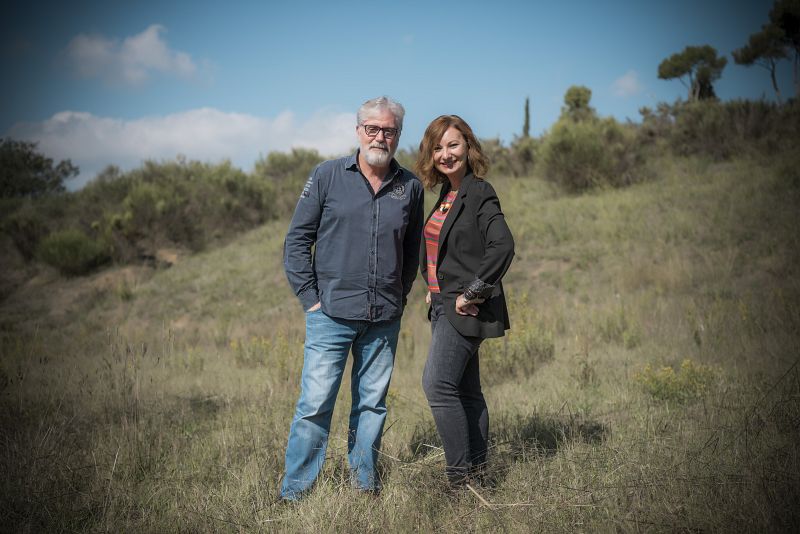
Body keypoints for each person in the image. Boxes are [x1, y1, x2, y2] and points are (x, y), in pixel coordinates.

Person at [280, 96, 424, 500]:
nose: (380, 136)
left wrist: (399, 296)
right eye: (372, 129)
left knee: (373, 406)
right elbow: (296, 242)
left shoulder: (410, 186)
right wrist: (311, 299)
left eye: (389, 130)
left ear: (398, 135)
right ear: (358, 130)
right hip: (330, 315)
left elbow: (412, 251)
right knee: (314, 407)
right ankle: (296, 493)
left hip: (384, 318)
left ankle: (364, 485)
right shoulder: (326, 176)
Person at [414, 115, 514, 488]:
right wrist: (433, 283)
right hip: (442, 305)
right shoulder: (447, 194)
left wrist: (473, 291)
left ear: (468, 147)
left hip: (463, 308)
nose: (445, 154)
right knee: (467, 393)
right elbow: (444, 249)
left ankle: (459, 481)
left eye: (453, 145)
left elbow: (502, 245)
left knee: (438, 385)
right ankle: (477, 477)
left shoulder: (479, 191)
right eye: (437, 148)